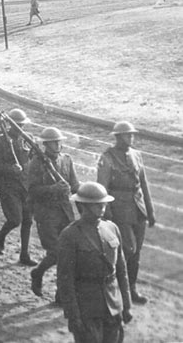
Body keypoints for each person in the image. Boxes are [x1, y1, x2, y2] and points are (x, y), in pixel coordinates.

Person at [57, 181, 133, 343]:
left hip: (113, 305)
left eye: (103, 204)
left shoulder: (112, 228)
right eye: (97, 205)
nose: (102, 208)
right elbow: (65, 280)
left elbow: (121, 270)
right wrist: (73, 316)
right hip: (87, 308)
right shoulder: (70, 235)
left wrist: (126, 304)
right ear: (82, 206)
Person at [96, 121, 155, 305]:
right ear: (118, 137)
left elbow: (144, 184)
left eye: (132, 134)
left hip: (138, 209)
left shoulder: (137, 155)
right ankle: (112, 283)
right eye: (127, 135)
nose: (131, 137)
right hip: (119, 210)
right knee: (128, 248)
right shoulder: (107, 157)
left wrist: (150, 210)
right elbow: (102, 187)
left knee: (136, 253)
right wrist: (106, 213)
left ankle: (131, 289)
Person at [28, 127, 79, 300]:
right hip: (46, 213)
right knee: (57, 252)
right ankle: (38, 272)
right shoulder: (36, 163)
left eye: (59, 141)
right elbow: (32, 190)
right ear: (45, 144)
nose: (57, 145)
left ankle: (60, 293)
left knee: (69, 254)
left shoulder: (67, 160)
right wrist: (53, 189)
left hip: (65, 212)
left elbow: (74, 185)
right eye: (53, 142)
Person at [0, 108, 37, 266]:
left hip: (25, 184)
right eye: (17, 125)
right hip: (8, 185)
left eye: (22, 125)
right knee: (15, 219)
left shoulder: (27, 139)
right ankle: (0, 236)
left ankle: (24, 254)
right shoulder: (1, 140)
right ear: (10, 125)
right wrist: (11, 169)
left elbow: (33, 158)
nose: (20, 128)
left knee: (28, 220)